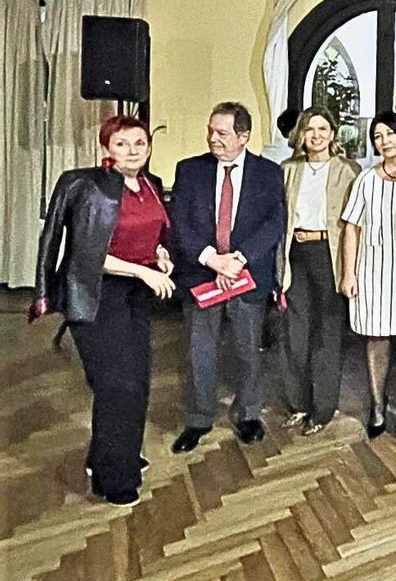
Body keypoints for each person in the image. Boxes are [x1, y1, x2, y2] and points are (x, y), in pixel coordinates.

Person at [30, 116, 174, 507]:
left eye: (139, 144)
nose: (132, 151)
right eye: (122, 144)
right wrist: (43, 292)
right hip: (93, 294)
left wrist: (160, 256)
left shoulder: (151, 185)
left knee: (138, 384)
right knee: (116, 387)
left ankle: (113, 456)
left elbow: (156, 234)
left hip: (134, 295)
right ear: (107, 147)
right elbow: (80, 251)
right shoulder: (83, 183)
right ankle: (113, 479)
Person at [170, 102, 286, 453]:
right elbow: (180, 221)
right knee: (198, 352)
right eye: (210, 131)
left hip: (246, 275)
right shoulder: (189, 170)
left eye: (221, 133)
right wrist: (212, 260)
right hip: (202, 273)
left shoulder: (268, 173)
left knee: (248, 349)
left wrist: (237, 259)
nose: (212, 138)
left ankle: (248, 413)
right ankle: (199, 418)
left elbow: (274, 222)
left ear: (244, 136)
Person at [277, 106, 361, 436]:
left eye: (323, 128)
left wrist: (350, 271)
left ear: (333, 133)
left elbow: (356, 224)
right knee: (294, 333)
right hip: (295, 252)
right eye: (310, 129)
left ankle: (323, 409)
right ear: (301, 134)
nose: (316, 135)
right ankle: (298, 404)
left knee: (327, 335)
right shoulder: (287, 169)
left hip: (330, 253)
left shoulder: (348, 170)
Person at [340, 111, 396, 440]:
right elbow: (352, 229)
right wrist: (348, 273)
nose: (384, 141)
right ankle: (376, 404)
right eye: (378, 136)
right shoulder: (366, 180)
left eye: (390, 134)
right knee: (376, 337)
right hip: (372, 269)